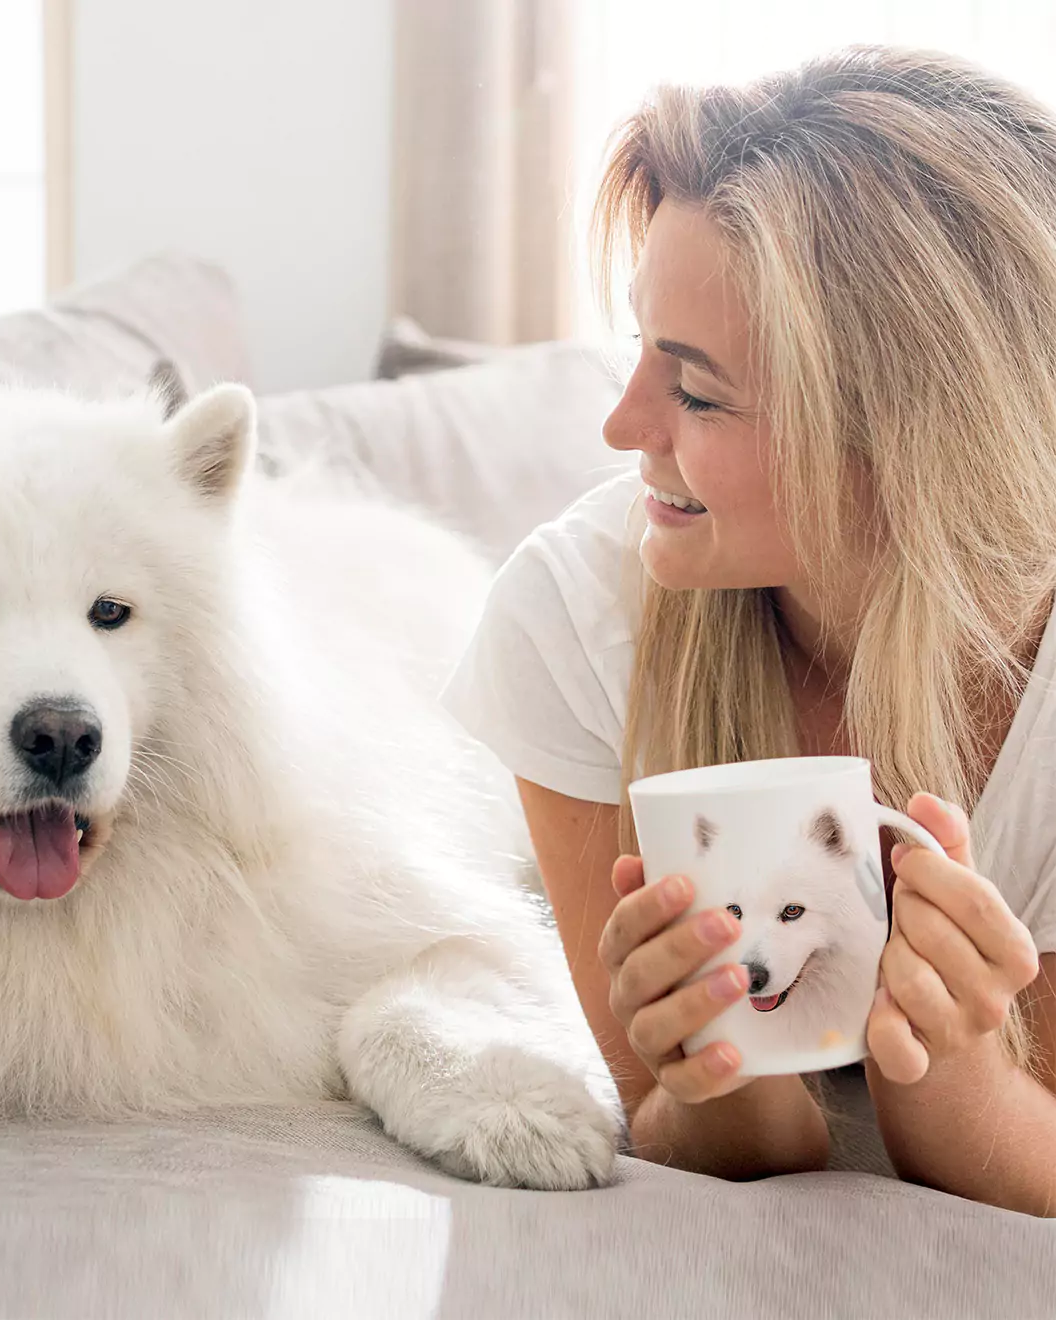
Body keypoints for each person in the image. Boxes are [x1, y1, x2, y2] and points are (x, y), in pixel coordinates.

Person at [440, 45, 1056, 1215]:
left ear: (909, 444)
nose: (624, 426)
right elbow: (691, 1135)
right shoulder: (575, 619)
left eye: (700, 393)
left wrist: (953, 1071)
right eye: (639, 352)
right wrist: (714, 1072)